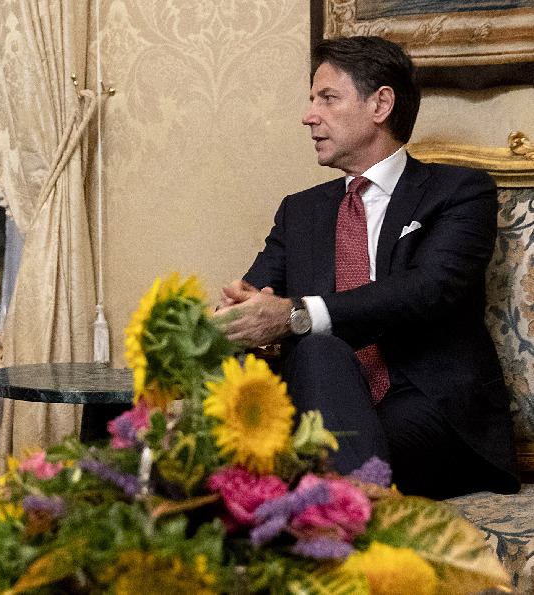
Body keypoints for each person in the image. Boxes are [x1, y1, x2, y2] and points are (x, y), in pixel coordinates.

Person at [218, 36, 519, 500]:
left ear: (380, 104)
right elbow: (255, 296)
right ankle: (353, 508)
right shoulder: (300, 212)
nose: (308, 116)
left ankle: (337, 506)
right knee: (313, 357)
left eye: (327, 98)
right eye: (312, 100)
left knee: (311, 370)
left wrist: (297, 315)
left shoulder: (459, 191)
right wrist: (238, 315)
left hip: (428, 406)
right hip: (321, 401)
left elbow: (428, 289)